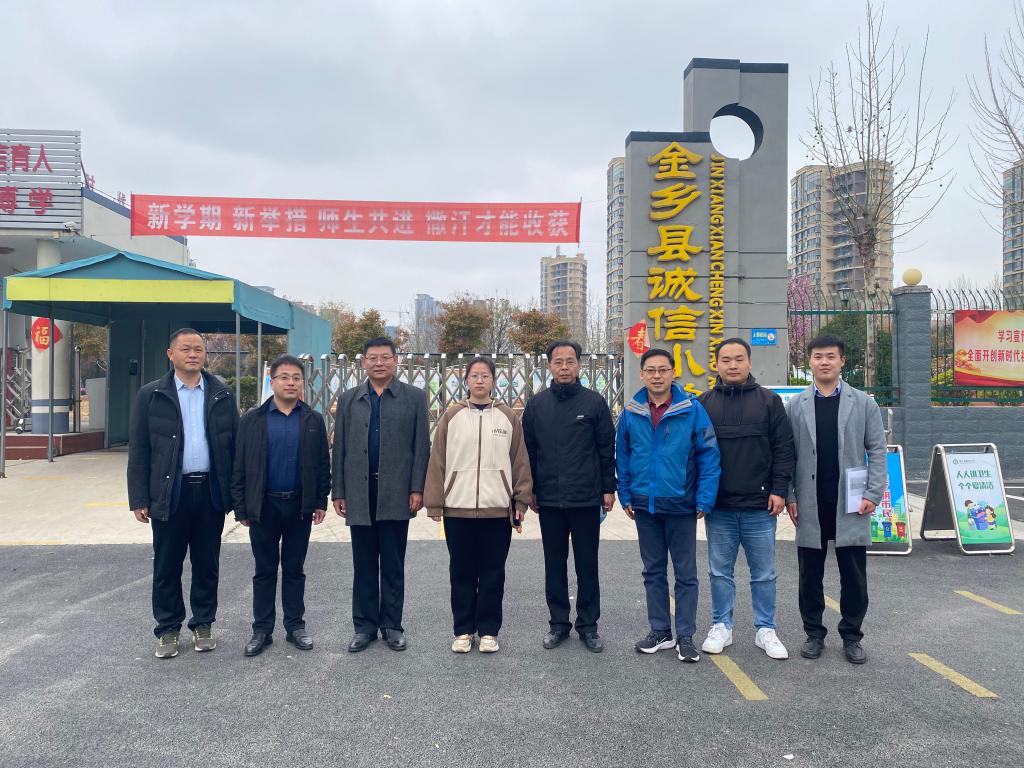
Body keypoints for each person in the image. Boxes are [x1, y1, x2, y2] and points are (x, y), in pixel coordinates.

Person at [128, 328, 238, 659]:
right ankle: (168, 628)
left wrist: (236, 494)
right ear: (170, 354)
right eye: (186, 349)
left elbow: (234, 446)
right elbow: (140, 449)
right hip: (169, 492)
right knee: (167, 564)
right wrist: (139, 498)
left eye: (199, 349)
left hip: (209, 492)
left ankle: (203, 623)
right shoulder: (151, 395)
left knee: (207, 563)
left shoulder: (221, 393)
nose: (193, 354)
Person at [785, 334, 886, 665]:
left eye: (830, 356)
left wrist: (873, 493)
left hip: (852, 502)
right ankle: (814, 633)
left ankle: (852, 636)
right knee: (809, 575)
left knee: (854, 575)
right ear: (810, 362)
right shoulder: (796, 405)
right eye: (818, 356)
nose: (824, 362)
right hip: (810, 501)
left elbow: (877, 450)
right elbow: (787, 454)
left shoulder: (864, 403)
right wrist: (790, 495)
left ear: (842, 361)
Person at [616, 348, 720, 663]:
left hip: (681, 505)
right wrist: (625, 494)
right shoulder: (631, 411)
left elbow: (709, 455)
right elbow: (622, 456)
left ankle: (685, 635)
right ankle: (660, 631)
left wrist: (704, 498)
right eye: (651, 370)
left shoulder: (692, 409)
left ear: (673, 373)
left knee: (686, 574)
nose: (657, 375)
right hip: (644, 506)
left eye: (663, 369)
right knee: (653, 571)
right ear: (642, 374)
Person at [424, 357, 533, 654]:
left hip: (497, 510)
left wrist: (521, 499)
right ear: (467, 381)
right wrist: (435, 503)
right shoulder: (452, 415)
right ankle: (462, 630)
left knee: (493, 572)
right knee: (461, 572)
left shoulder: (507, 417)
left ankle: (488, 631)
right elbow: (438, 460)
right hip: (457, 508)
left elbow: (520, 461)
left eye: (485, 375)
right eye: (474, 375)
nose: (480, 380)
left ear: (494, 380)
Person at [697, 338, 795, 660]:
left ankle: (765, 629)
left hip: (760, 506)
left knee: (763, 573)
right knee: (719, 572)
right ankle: (721, 626)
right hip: (719, 507)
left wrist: (780, 490)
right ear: (717, 364)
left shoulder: (769, 401)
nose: (733, 365)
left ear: (749, 362)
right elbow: (695, 453)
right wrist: (701, 497)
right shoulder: (704, 403)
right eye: (726, 359)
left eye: (739, 359)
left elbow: (783, 449)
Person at [332, 337, 430, 652]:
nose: (379, 363)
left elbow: (421, 447)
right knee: (363, 565)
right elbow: (340, 448)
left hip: (396, 492)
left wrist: (417, 487)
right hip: (359, 492)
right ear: (363, 362)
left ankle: (392, 626)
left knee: (392, 564)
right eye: (372, 357)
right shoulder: (349, 399)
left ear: (395, 360)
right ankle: (364, 627)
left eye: (385, 357)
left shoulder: (414, 398)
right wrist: (339, 490)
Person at [232, 354, 331, 657]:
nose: (291, 383)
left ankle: (295, 626)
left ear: (303, 383)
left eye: (296, 378)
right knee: (264, 570)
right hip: (264, 506)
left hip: (299, 505)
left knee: (294, 568)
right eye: (284, 377)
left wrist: (319, 501)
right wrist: (241, 507)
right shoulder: (253, 419)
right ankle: (262, 630)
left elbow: (322, 465)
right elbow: (239, 464)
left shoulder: (312, 419)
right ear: (272, 381)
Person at [522, 339, 615, 653]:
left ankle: (588, 625)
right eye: (558, 362)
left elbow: (606, 449)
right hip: (549, 499)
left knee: (587, 566)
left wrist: (608, 488)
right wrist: (531, 490)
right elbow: (528, 452)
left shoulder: (594, 403)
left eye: (570, 361)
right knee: (554, 565)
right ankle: (558, 624)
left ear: (579, 365)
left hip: (586, 498)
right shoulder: (537, 405)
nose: (564, 367)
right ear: (549, 366)